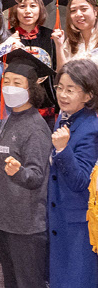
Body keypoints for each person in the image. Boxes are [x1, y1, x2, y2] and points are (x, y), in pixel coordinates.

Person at [0, 49, 54, 288]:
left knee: (28, 282)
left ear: (31, 89)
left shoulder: (36, 127)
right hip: (5, 220)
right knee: (11, 282)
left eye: (17, 83)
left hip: (27, 225)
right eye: (6, 81)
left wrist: (18, 171)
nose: (9, 88)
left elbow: (37, 177)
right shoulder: (8, 119)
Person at [48, 59, 98, 287]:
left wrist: (62, 149)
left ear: (88, 95)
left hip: (79, 224)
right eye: (60, 88)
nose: (63, 95)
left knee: (77, 280)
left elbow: (81, 182)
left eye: (71, 89)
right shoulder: (65, 116)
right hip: (61, 216)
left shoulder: (91, 129)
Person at [7, 0, 57, 128]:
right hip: (15, 107)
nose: (27, 10)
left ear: (40, 9)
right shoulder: (7, 37)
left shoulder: (51, 36)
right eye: (22, 6)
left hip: (46, 109)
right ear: (15, 10)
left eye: (33, 6)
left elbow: (56, 71)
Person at [53, 0, 98, 69]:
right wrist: (59, 45)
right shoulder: (70, 43)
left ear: (95, 11)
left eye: (83, 9)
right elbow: (62, 74)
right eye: (73, 10)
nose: (78, 14)